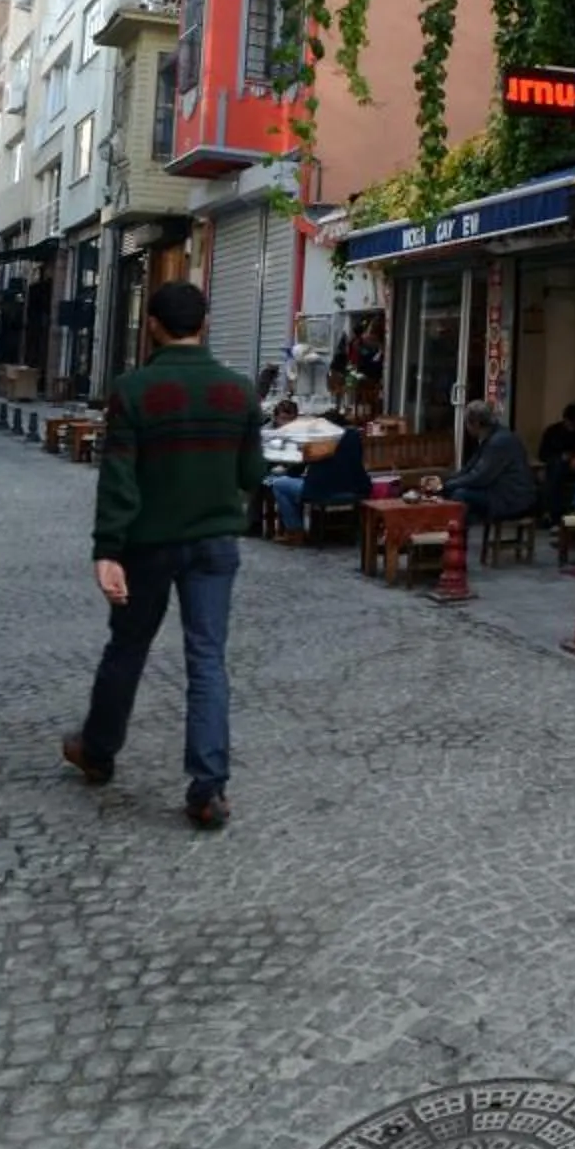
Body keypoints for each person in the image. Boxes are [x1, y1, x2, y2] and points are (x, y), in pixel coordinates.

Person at [66, 280, 265, 830]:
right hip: (215, 544)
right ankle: (208, 786)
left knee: (128, 647)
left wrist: (108, 549)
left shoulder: (133, 391)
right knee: (207, 658)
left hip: (147, 543)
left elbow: (119, 477)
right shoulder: (239, 392)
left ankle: (98, 750)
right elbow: (252, 473)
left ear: (152, 324)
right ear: (205, 324)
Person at [263, 417, 368, 541]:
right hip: (353, 488)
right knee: (294, 484)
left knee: (279, 484)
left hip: (321, 489)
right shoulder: (353, 437)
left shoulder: (321, 440)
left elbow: (301, 466)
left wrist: (288, 472)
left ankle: (294, 530)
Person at [441, 404, 541, 523]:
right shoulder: (491, 437)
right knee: (454, 491)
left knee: (460, 495)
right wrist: (447, 481)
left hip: (512, 498)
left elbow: (481, 477)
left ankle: (458, 531)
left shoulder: (499, 442)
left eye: (467, 423)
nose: (466, 427)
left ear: (476, 424)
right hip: (500, 492)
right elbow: (469, 468)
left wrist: (449, 485)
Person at [537, 403, 575, 521]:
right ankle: (552, 512)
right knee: (556, 469)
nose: (572, 427)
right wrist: (561, 457)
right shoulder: (553, 432)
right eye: (570, 424)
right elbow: (543, 454)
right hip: (557, 466)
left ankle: (557, 511)